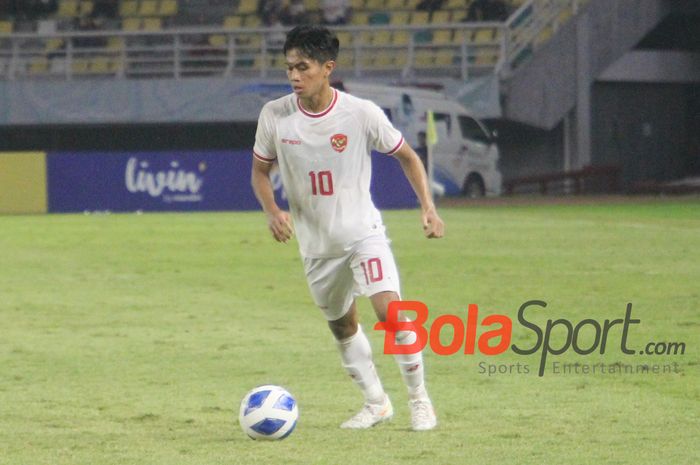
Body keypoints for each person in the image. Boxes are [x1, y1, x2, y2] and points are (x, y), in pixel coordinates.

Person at [250, 25, 444, 431]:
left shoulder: (360, 113)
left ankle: (419, 400)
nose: (294, 76)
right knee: (343, 326)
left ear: (327, 68)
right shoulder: (275, 115)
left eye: (303, 67)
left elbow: (408, 156)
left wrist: (428, 206)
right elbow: (259, 172)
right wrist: (272, 211)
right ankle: (377, 403)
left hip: (362, 234)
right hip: (316, 245)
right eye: (289, 68)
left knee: (390, 313)